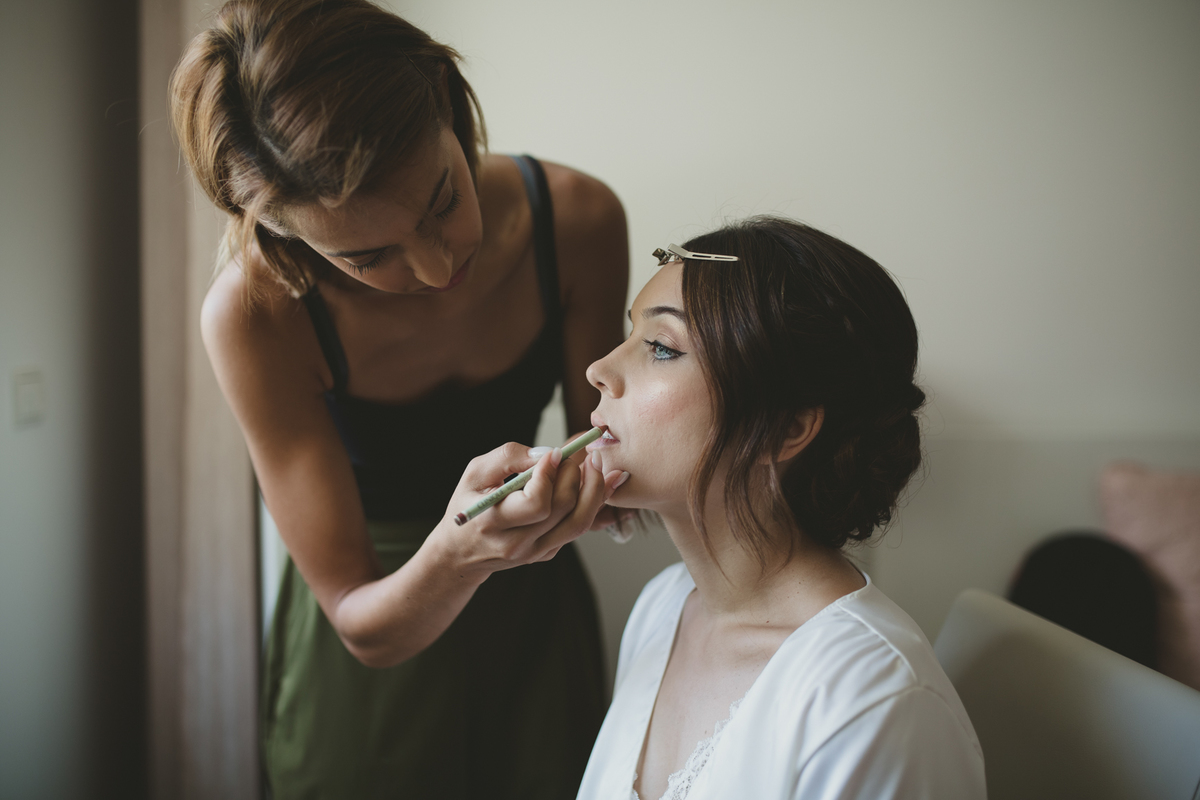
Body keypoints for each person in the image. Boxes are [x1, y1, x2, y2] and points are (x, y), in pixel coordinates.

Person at [168, 0, 630, 796]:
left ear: (447, 102)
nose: (433, 266)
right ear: (285, 235)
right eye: (367, 256)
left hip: (531, 627)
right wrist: (455, 554)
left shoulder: (579, 221)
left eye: (442, 200)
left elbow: (613, 449)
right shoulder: (255, 316)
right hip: (382, 635)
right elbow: (357, 617)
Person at [576, 218, 986, 799]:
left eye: (662, 348)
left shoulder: (873, 701)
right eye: (631, 336)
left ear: (786, 428)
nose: (599, 370)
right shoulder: (662, 608)